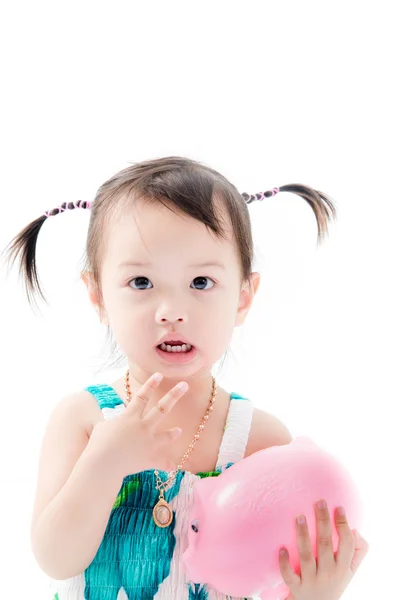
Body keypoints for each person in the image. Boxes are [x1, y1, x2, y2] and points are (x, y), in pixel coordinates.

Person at [1, 156, 337, 599]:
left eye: (200, 282)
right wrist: (105, 462)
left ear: (243, 297)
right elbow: (55, 557)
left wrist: (313, 591)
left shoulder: (258, 439)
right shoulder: (84, 419)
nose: (172, 312)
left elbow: (264, 576)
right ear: (98, 296)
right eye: (141, 283)